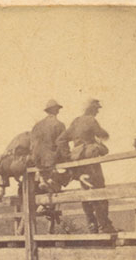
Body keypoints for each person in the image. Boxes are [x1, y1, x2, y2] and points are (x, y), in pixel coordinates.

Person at [57, 99, 117, 233]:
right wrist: (101, 138)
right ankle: (104, 226)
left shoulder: (76, 121)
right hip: (91, 163)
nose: (97, 112)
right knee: (99, 191)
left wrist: (68, 157)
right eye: (96, 109)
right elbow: (103, 134)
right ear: (91, 109)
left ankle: (92, 225)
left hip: (79, 164)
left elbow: (61, 139)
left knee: (86, 193)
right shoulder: (91, 120)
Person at [29, 99, 68, 192]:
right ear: (57, 110)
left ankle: (46, 181)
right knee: (72, 171)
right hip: (51, 159)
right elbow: (63, 144)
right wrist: (68, 156)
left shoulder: (37, 125)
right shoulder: (59, 125)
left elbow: (32, 144)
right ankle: (52, 181)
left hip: (36, 159)